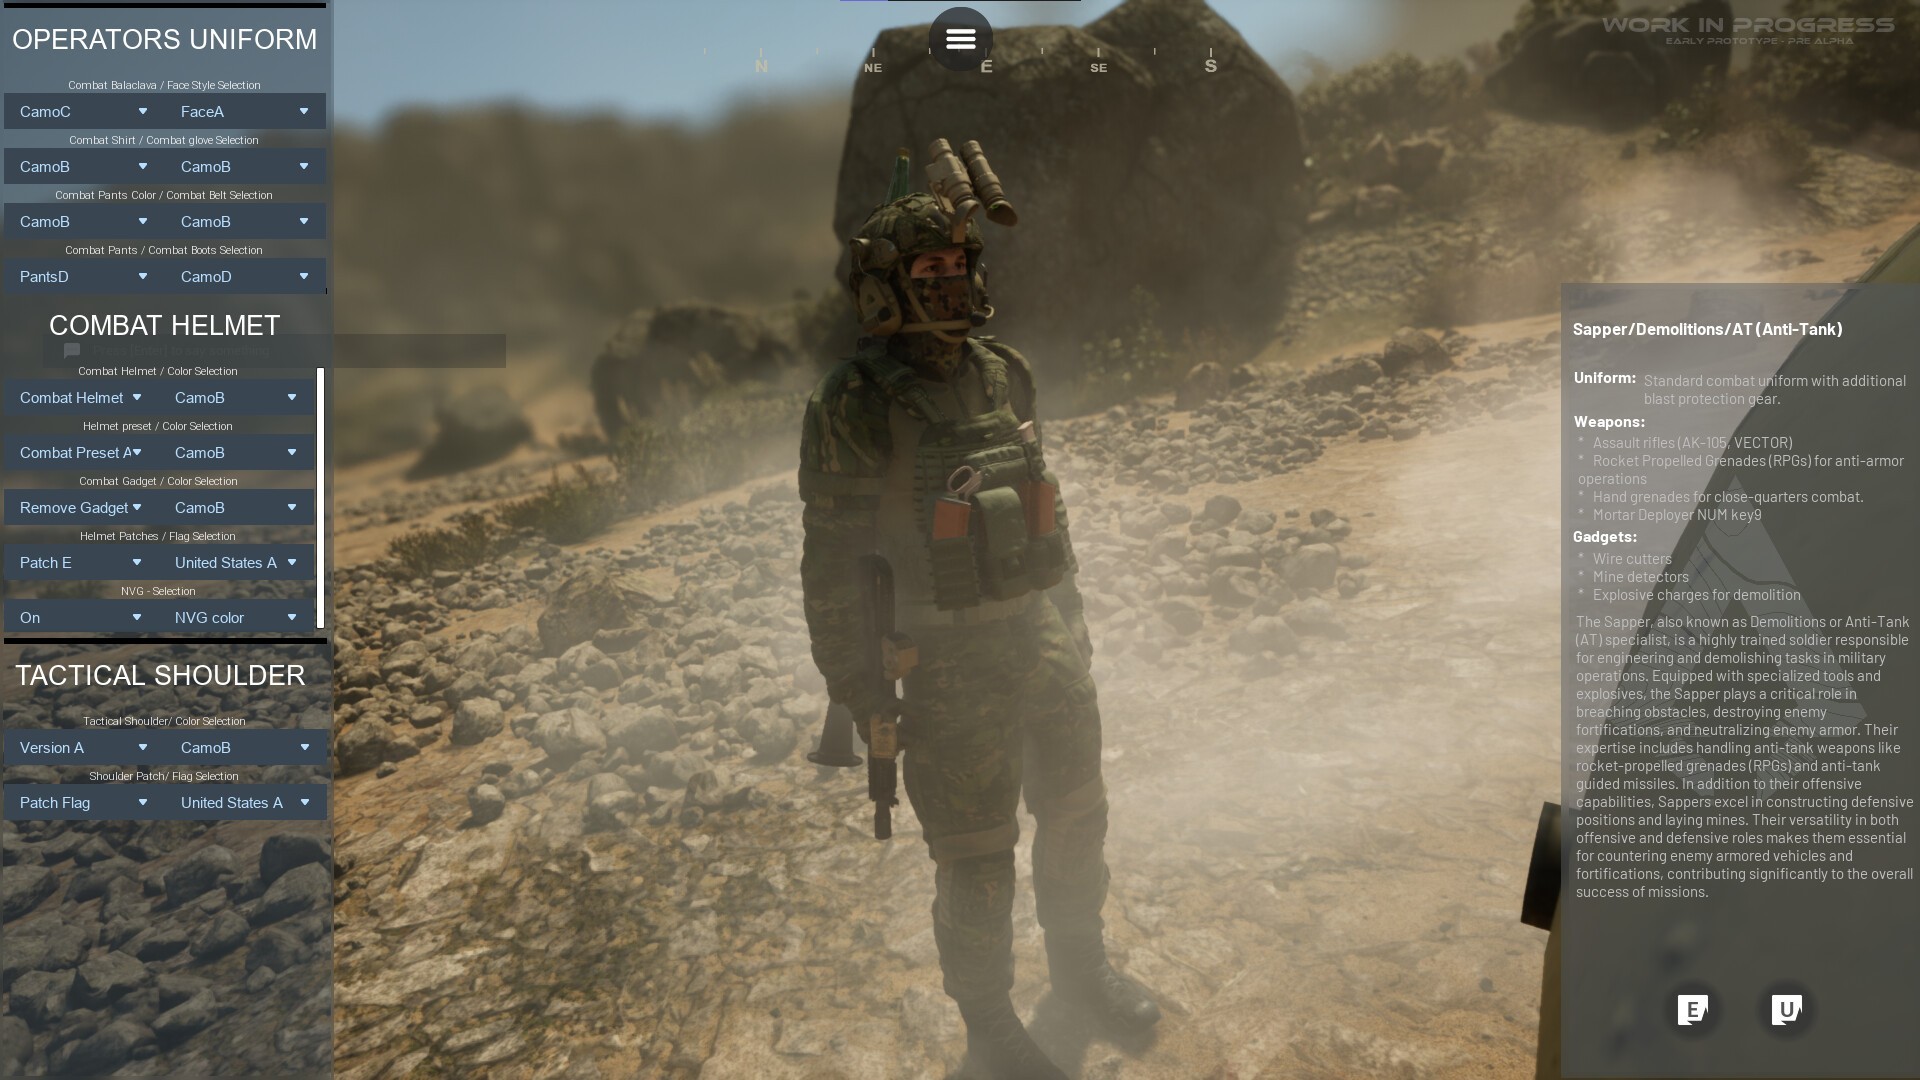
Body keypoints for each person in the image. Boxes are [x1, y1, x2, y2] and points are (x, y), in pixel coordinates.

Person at [797, 189, 1159, 1078]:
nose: (951, 281)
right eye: (930, 268)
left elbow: (1042, 510)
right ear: (887, 286)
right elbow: (833, 560)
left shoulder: (1005, 372)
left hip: (1037, 636)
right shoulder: (851, 401)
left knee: (1077, 815)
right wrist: (857, 687)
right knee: (978, 858)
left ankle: (1080, 968)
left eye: (960, 265)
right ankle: (990, 1024)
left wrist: (1073, 623)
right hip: (942, 662)